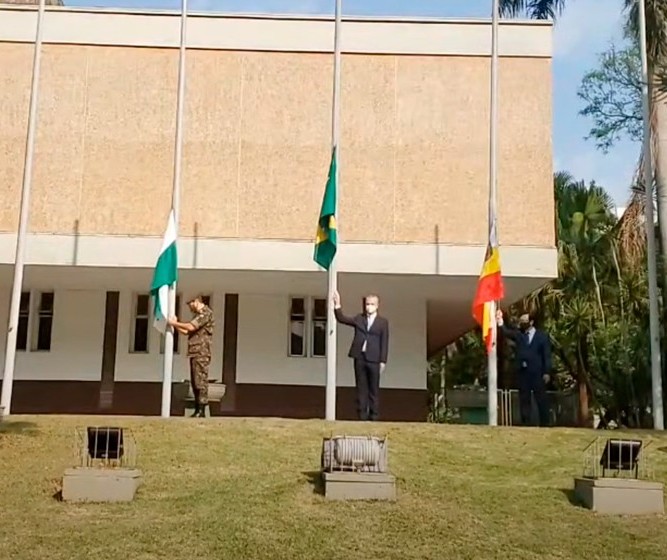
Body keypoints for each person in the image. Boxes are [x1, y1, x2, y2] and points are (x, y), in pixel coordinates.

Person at [333, 290, 389, 421]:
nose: (369, 306)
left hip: (374, 359)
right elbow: (342, 319)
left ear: (377, 305)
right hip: (360, 357)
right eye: (367, 304)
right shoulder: (360, 319)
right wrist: (337, 304)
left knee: (373, 388)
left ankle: (374, 415)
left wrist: (383, 360)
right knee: (361, 387)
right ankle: (362, 415)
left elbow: (385, 341)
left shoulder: (382, 322)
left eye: (372, 304)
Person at [496, 309, 552, 427]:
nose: (521, 322)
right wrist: (500, 321)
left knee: (540, 398)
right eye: (520, 320)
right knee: (524, 398)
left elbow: (546, 355)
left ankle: (545, 423)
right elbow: (506, 332)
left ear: (531, 322)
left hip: (537, 373)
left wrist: (546, 372)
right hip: (523, 372)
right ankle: (526, 422)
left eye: (524, 320)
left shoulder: (541, 337)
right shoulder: (519, 335)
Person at [168, 295, 215, 418]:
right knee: (195, 381)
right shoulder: (198, 316)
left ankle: (202, 409)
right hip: (195, 352)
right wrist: (175, 325)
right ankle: (197, 408)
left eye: (190, 304)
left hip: (202, 352)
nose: (190, 308)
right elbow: (186, 331)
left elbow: (190, 326)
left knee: (200, 381)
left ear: (196, 301)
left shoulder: (206, 314)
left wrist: (174, 322)